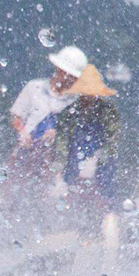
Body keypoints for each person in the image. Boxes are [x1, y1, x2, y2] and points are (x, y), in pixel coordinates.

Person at [10, 45, 88, 188]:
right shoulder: (34, 87)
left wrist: (57, 134)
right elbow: (16, 117)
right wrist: (23, 133)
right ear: (58, 69)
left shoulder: (77, 102)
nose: (70, 79)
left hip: (54, 161)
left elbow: (77, 134)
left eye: (74, 77)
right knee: (14, 185)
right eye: (67, 74)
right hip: (25, 151)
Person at [50, 63, 121, 214]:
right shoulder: (68, 113)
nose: (87, 99)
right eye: (84, 95)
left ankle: (107, 213)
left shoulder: (109, 112)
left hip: (101, 159)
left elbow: (112, 140)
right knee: (70, 190)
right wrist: (58, 169)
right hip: (74, 159)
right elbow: (62, 142)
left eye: (90, 96)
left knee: (106, 191)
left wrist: (96, 159)